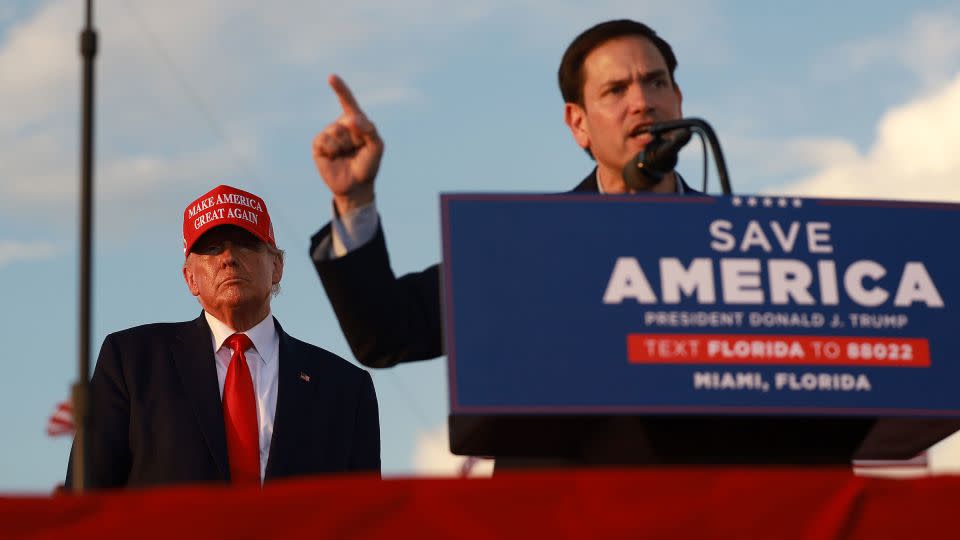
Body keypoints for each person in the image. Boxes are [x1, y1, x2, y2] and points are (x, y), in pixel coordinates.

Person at [310, 19, 697, 369]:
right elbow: (388, 333)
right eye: (616, 90)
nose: (643, 103)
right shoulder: (529, 242)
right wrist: (355, 199)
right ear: (578, 124)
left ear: (678, 99)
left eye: (656, 82)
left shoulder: (743, 238)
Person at [66, 185, 380, 490]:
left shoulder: (345, 388)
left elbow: (369, 518)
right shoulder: (132, 363)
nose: (228, 258)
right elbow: (85, 501)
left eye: (244, 243)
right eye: (212, 248)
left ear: (277, 266)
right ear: (190, 278)